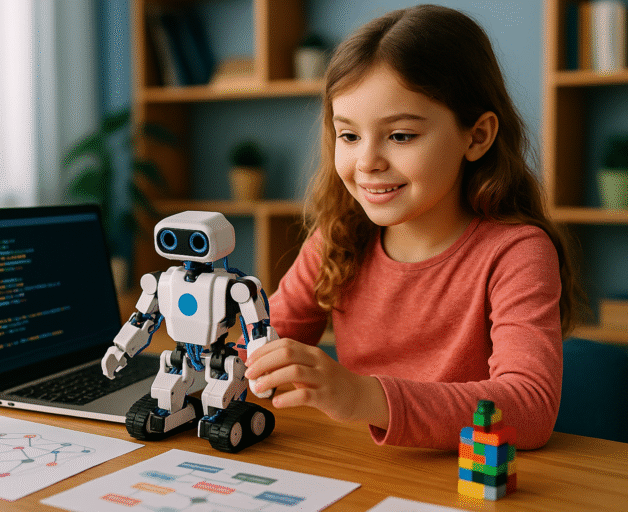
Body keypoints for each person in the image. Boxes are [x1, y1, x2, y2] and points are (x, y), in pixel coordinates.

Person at [244, 4, 583, 451]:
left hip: (468, 484)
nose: (367, 162)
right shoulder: (337, 239)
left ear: (476, 136)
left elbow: (530, 408)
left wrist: (363, 395)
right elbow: (263, 349)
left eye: (400, 136)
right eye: (348, 136)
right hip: (367, 472)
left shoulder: (516, 252)